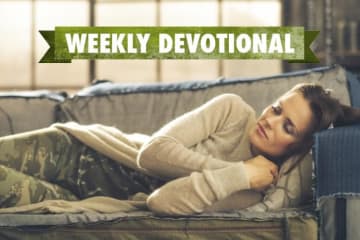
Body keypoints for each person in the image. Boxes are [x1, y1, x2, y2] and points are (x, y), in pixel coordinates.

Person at [0, 83, 359, 215]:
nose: (271, 119)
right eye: (277, 108)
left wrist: (237, 176)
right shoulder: (233, 111)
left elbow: (160, 202)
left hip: (76, 198)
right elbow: (152, 153)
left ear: (299, 149)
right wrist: (226, 169)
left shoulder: (253, 187)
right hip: (76, 149)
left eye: (288, 126)